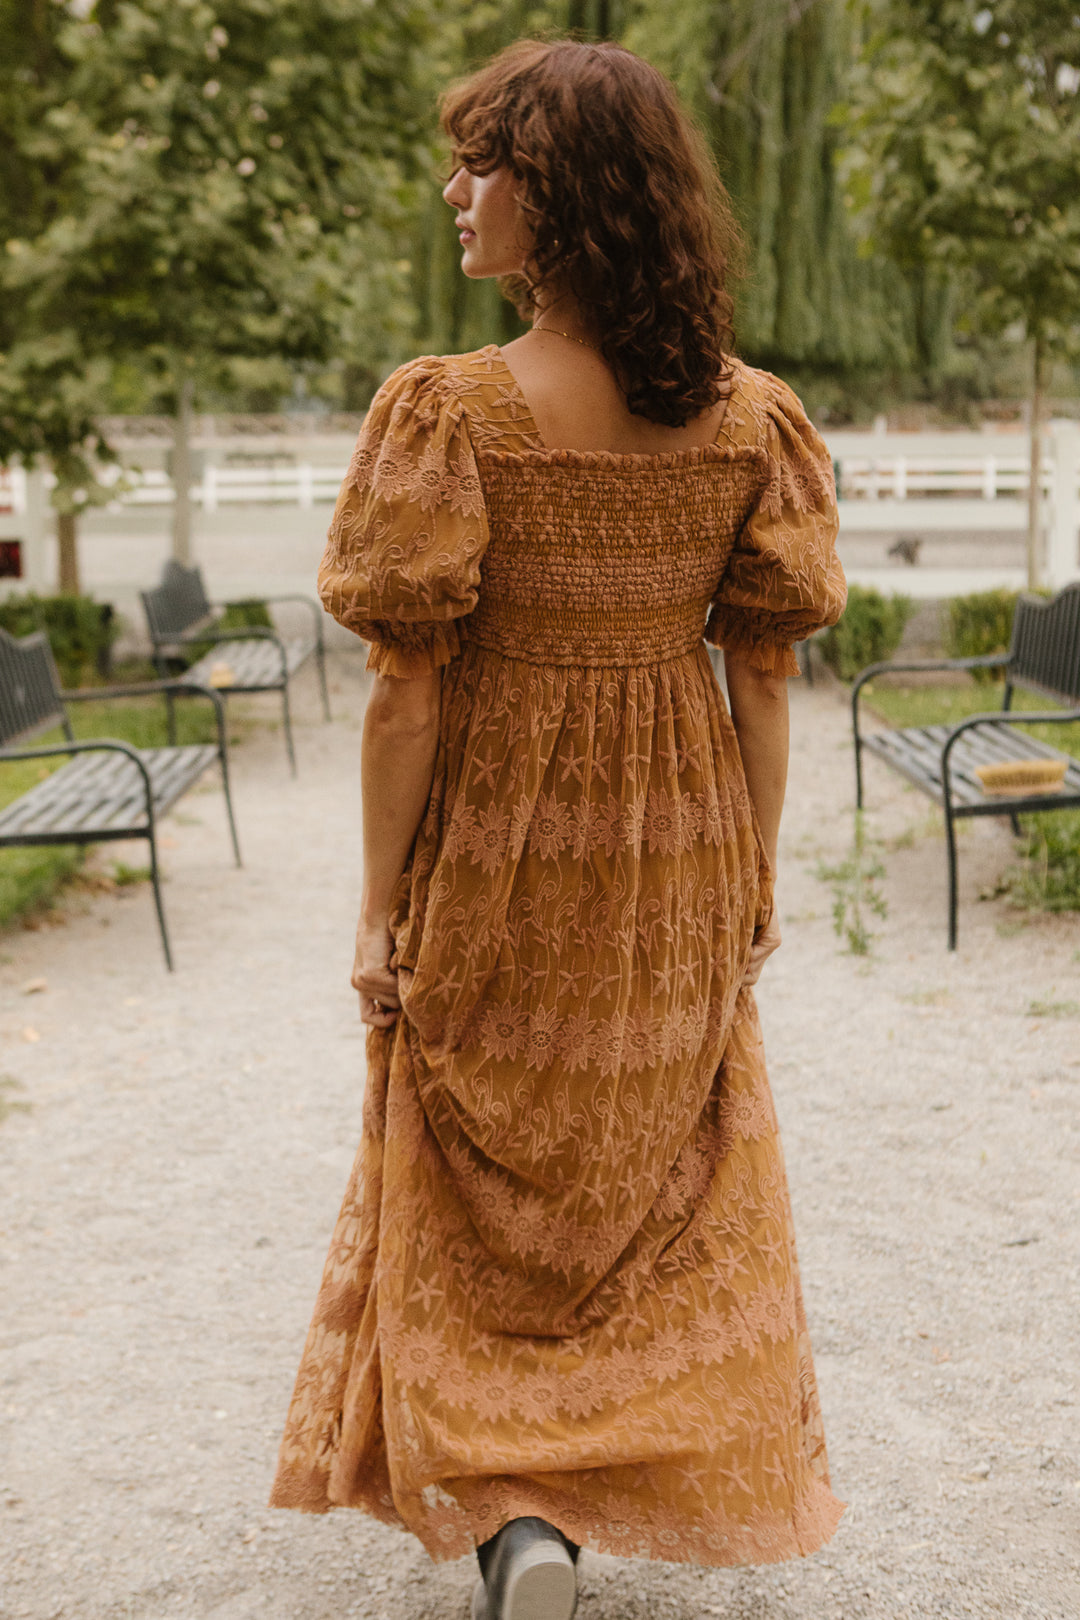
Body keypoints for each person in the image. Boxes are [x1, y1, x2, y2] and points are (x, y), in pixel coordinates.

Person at [270, 37, 847, 1620]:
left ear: (565, 194)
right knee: (655, 1192)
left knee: (471, 1184)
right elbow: (769, 681)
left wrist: (379, 911)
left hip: (501, 853)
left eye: (484, 165)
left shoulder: (451, 414)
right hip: (675, 848)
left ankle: (525, 1525)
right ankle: (564, 1507)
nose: (456, 194)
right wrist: (751, 873)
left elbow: (406, 699)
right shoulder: (751, 423)